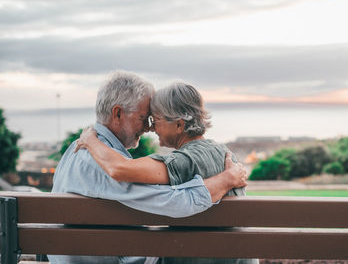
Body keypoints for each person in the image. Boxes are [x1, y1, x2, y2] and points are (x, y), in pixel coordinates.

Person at [48, 72, 248, 264]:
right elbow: (178, 203)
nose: (148, 128)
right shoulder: (99, 162)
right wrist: (227, 178)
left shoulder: (77, 148)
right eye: (144, 118)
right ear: (117, 113)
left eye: (153, 120)